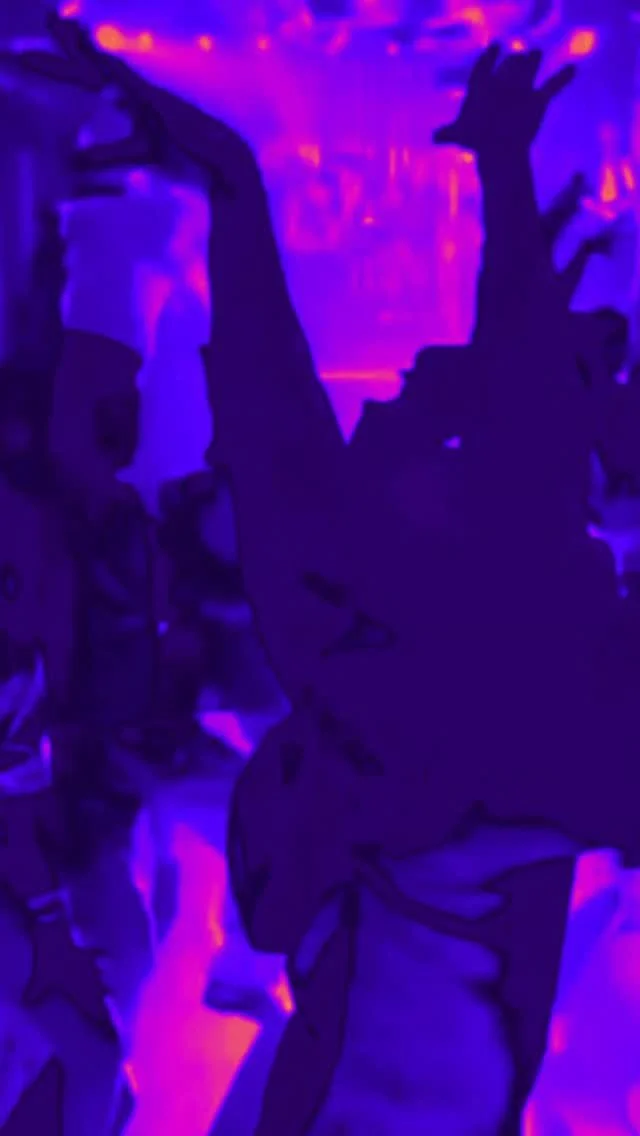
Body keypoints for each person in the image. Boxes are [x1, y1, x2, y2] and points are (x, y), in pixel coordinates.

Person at [17, 23, 640, 1134]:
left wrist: (232, 182)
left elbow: (321, 435)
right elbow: (509, 425)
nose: (383, 409)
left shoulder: (390, 654)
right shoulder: (467, 667)